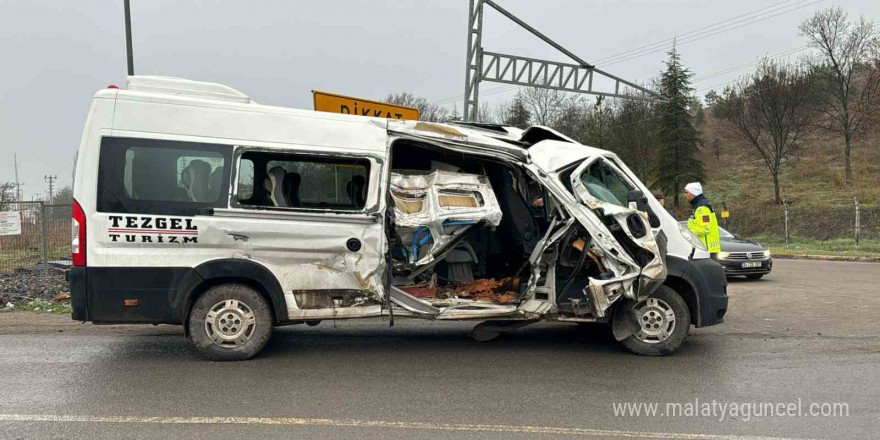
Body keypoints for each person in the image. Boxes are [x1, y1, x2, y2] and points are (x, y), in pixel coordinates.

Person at [684, 182, 721, 256]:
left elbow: (705, 228)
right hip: (703, 248)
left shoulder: (702, 207)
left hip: (706, 249)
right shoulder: (698, 205)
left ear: (693, 193)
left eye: (686, 192)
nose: (685, 195)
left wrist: (688, 233)